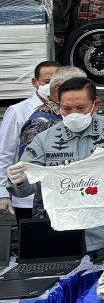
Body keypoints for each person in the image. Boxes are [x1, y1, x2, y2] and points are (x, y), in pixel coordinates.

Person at [6, 77, 104, 253]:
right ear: (58, 106)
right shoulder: (44, 139)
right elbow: (25, 189)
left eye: (80, 108)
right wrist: (19, 181)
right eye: (66, 108)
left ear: (95, 105)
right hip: (63, 236)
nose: (73, 114)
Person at [18, 66, 87, 219]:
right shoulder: (40, 122)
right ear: (59, 89)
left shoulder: (77, 115)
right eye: (78, 86)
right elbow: (27, 169)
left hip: (80, 202)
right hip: (52, 208)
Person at [0, 60, 60, 219]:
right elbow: (5, 154)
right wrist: (3, 193)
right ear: (35, 82)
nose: (53, 86)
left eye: (58, 81)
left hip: (62, 196)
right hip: (28, 198)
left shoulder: (67, 109)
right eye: (48, 82)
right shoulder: (17, 111)